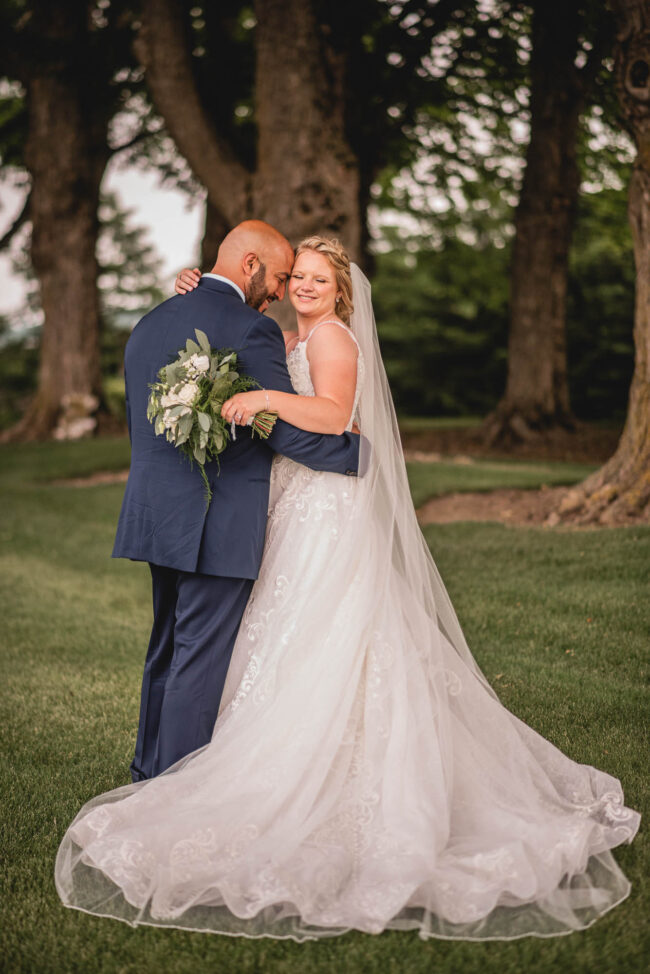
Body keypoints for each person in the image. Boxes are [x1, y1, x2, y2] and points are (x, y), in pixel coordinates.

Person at [55, 236, 639, 943]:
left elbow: (330, 416)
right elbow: (302, 413)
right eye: (293, 276)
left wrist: (271, 400)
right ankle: (174, 774)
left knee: (310, 639)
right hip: (281, 508)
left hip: (315, 511)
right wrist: (211, 309)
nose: (297, 287)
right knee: (258, 641)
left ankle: (178, 776)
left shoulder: (327, 340)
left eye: (314, 279)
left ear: (340, 292)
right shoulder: (268, 331)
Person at [110, 220, 361, 783]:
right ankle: (172, 791)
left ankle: (146, 772)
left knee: (166, 649)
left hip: (157, 511)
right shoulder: (254, 331)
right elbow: (274, 427)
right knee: (197, 662)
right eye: (279, 277)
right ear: (250, 266)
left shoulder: (149, 324)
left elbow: (140, 422)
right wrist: (354, 457)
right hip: (215, 518)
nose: (279, 291)